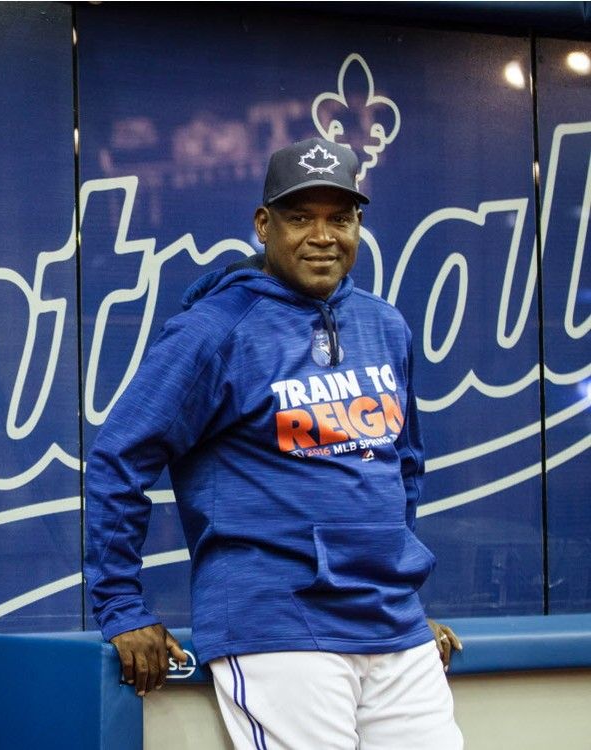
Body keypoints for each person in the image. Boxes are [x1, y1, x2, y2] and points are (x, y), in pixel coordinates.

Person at [84, 137, 464, 749]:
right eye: (299, 217)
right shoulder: (215, 330)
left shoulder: (384, 325)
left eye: (339, 218)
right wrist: (123, 607)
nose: (322, 235)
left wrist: (404, 594)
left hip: (391, 627)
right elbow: (119, 458)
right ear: (264, 225)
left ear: (358, 226)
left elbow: (402, 468)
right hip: (278, 624)